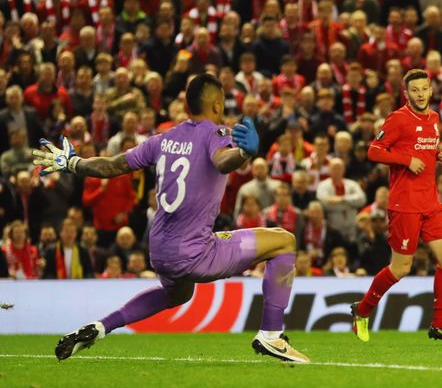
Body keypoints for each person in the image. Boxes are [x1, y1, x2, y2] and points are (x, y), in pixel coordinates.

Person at [33, 73, 309, 363]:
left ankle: (101, 326)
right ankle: (271, 335)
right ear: (217, 105)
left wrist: (73, 162)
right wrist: (244, 153)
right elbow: (222, 161)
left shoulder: (162, 139)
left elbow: (111, 166)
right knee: (284, 241)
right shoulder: (217, 135)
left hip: (160, 250)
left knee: (177, 295)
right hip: (196, 252)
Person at [350, 69, 442, 345]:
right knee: (401, 268)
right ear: (406, 94)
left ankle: (439, 325)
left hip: (431, 202)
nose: (421, 94)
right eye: (415, 90)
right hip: (405, 205)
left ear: (431, 90)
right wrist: (406, 159)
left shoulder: (435, 119)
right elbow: (374, 150)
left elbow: (426, 147)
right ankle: (362, 311)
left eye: (424, 89)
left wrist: (438, 153)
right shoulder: (398, 119)